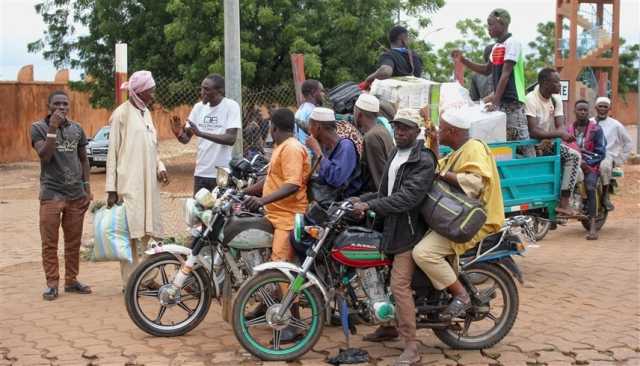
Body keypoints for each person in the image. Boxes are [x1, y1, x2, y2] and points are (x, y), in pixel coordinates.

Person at [352, 109, 436, 366]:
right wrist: (359, 200)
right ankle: (388, 326)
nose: (399, 132)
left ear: (417, 130)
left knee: (399, 285)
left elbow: (408, 198)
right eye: (397, 127)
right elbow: (385, 191)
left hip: (410, 231)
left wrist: (371, 206)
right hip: (390, 228)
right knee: (384, 277)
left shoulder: (423, 159)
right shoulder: (395, 153)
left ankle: (411, 346)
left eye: (406, 128)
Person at [413, 108, 505, 323]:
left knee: (423, 253)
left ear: (453, 132)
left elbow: (473, 183)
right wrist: (434, 141)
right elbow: (437, 167)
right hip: (457, 214)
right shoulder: (458, 151)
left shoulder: (474, 148)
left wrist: (441, 173)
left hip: (472, 220)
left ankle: (461, 295)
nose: (440, 132)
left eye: (442, 130)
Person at [243, 108, 311, 343]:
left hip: (288, 217)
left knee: (281, 269)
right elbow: (271, 180)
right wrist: (243, 192)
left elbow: (292, 184)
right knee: (268, 262)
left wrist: (261, 200)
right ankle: (267, 304)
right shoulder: (282, 147)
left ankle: (293, 324)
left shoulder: (291, 148)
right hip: (275, 214)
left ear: (273, 127)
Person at [106, 70, 170, 287]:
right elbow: (112, 154)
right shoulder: (120, 114)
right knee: (130, 235)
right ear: (139, 92)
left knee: (151, 233)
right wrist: (111, 189)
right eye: (150, 91)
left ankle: (148, 278)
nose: (153, 94)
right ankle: (130, 282)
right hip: (128, 184)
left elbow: (153, 147)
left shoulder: (147, 113)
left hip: (149, 184)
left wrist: (159, 167)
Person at [31, 90, 93, 300]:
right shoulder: (38, 128)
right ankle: (52, 284)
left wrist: (87, 188)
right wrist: (52, 128)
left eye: (65, 104)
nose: (62, 108)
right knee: (49, 242)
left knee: (73, 242)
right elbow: (45, 156)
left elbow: (84, 160)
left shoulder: (77, 129)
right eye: (57, 104)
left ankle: (72, 281)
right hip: (51, 194)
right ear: (49, 107)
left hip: (76, 194)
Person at [452, 9, 535, 157]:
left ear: (502, 24)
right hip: (501, 102)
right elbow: (485, 70)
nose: (488, 29)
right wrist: (463, 61)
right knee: (505, 143)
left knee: (521, 140)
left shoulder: (512, 43)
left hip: (512, 100)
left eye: (491, 25)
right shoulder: (496, 47)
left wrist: (495, 102)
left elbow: (506, 74)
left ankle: (534, 169)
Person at [170, 74, 240, 194]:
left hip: (222, 173)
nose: (202, 92)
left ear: (220, 91)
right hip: (201, 172)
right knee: (199, 211)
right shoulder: (198, 108)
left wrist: (202, 133)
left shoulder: (231, 106)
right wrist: (179, 134)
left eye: (206, 89)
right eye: (201, 88)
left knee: (220, 210)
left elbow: (230, 138)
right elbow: (186, 138)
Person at [525, 68, 581, 215]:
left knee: (569, 156)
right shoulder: (531, 99)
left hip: (549, 143)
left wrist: (556, 136)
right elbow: (533, 130)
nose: (559, 85)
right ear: (544, 83)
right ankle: (564, 203)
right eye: (556, 82)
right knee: (574, 157)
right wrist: (557, 135)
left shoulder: (556, 99)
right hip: (533, 144)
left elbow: (560, 125)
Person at [567, 100, 606, 240]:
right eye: (580, 110)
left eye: (585, 110)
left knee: (590, 187)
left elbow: (601, 152)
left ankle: (593, 227)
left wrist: (587, 162)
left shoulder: (596, 129)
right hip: (572, 164)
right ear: (574, 111)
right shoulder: (569, 129)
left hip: (590, 166)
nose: (582, 112)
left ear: (588, 112)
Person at [306, 107, 363, 202]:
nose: (309, 129)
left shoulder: (346, 147)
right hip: (328, 199)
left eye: (310, 125)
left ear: (318, 127)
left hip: (345, 203)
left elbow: (336, 179)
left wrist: (317, 150)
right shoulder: (325, 146)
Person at [594, 97, 633, 211]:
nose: (602, 109)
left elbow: (628, 143)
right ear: (595, 107)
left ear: (609, 109)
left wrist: (619, 160)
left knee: (604, 166)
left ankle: (605, 196)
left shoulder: (616, 125)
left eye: (605, 107)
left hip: (607, 155)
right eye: (600, 106)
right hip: (590, 153)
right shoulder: (589, 122)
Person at [353, 94, 394, 192]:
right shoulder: (382, 129)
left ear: (359, 115)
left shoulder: (371, 137)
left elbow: (379, 177)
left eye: (354, 111)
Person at [294, 79, 325, 146]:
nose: (323, 94)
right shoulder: (313, 112)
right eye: (321, 91)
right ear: (313, 93)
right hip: (310, 154)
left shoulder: (301, 109)